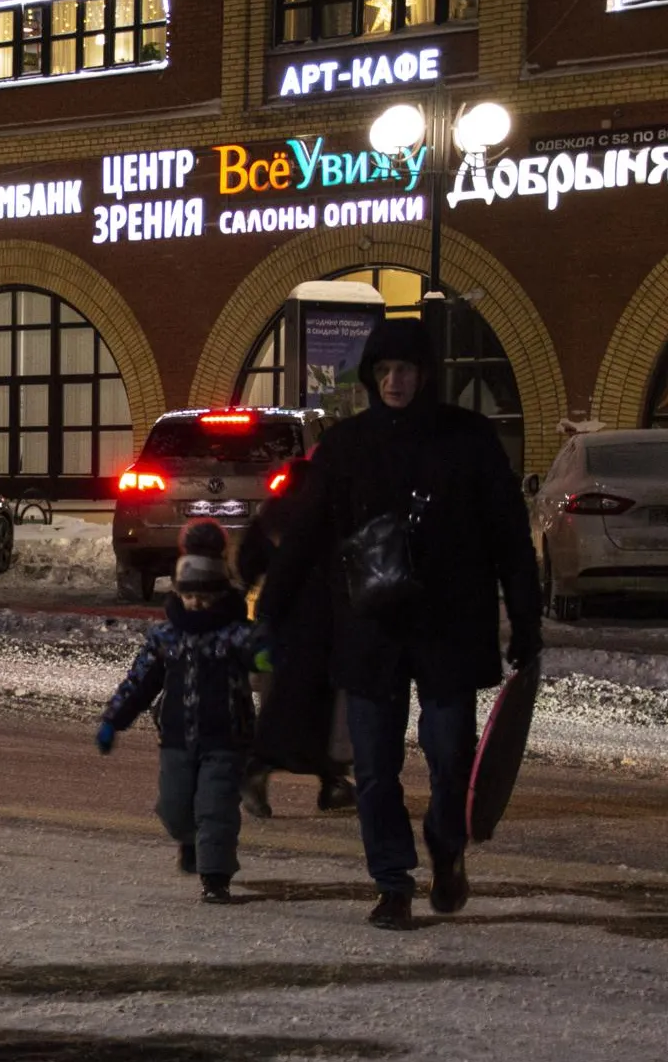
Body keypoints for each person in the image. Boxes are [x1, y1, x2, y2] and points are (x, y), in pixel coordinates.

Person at [259, 316, 541, 931]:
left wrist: (525, 615)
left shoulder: (467, 440)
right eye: (384, 370)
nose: (395, 381)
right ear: (370, 376)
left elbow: (509, 535)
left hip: (448, 626)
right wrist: (270, 611)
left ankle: (446, 849)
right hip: (371, 631)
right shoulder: (348, 446)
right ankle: (392, 882)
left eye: (406, 369)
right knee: (376, 769)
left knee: (450, 759)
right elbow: (305, 534)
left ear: (426, 374)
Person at [97, 521, 266, 905]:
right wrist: (113, 720)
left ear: (221, 593)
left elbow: (265, 654)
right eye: (190, 596)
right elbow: (140, 682)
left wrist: (270, 654)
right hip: (176, 738)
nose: (198, 604)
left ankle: (215, 875)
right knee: (174, 806)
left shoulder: (235, 634)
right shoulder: (166, 637)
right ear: (177, 592)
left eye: (206, 597)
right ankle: (190, 840)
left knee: (215, 807)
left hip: (226, 738)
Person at [234, 457, 356, 818]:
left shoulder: (275, 513)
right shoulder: (329, 514)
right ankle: (321, 778)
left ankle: (323, 778)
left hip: (289, 623)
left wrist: (262, 610)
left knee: (291, 700)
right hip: (323, 621)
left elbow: (248, 563)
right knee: (319, 703)